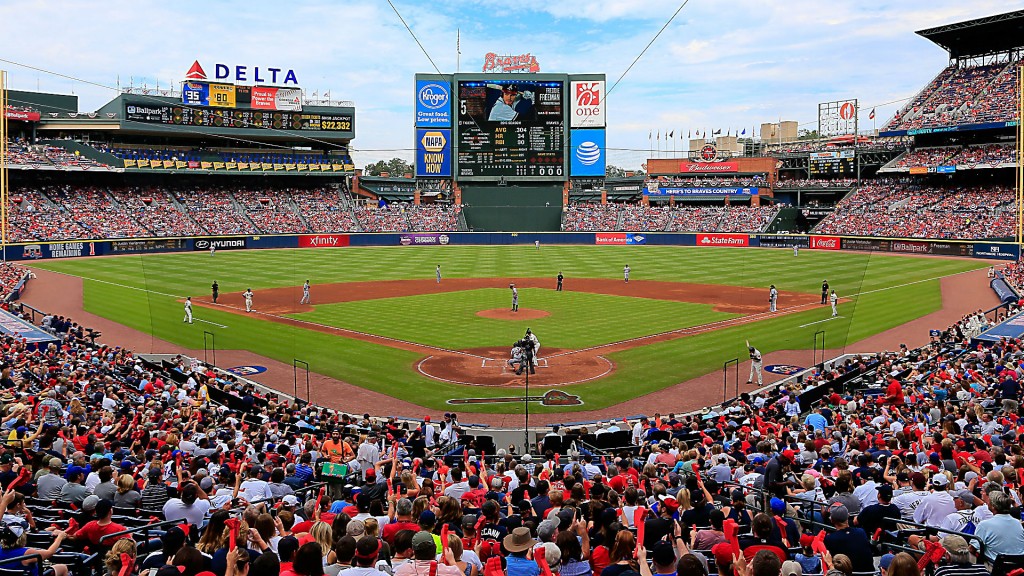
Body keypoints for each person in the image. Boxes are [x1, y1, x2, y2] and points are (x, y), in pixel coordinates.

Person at [822, 505, 874, 574]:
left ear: (831, 520)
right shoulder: (861, 532)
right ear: (848, 516)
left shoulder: (829, 539)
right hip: (869, 573)